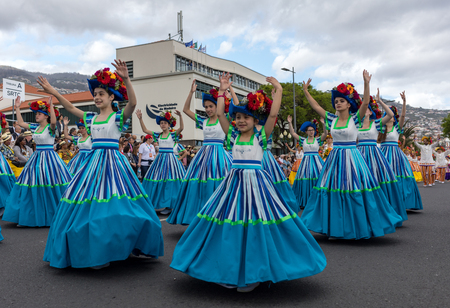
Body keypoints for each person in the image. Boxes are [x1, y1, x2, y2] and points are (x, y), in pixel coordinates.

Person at [171, 73, 326, 292]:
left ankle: (254, 274)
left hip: (256, 185)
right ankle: (229, 270)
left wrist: (279, 91)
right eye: (238, 118)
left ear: (255, 121)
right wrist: (223, 92)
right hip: (233, 183)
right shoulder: (232, 136)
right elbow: (222, 115)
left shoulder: (261, 137)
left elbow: (272, 116)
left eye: (246, 118)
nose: (241, 121)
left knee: (255, 224)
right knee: (229, 223)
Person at [41, 60, 164, 269]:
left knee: (117, 204)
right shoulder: (90, 118)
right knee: (92, 206)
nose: (97, 97)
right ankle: (98, 249)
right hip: (93, 164)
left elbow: (133, 104)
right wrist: (53, 91)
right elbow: (70, 107)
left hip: (114, 164)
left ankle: (120, 245)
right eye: (95, 94)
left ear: (111, 97)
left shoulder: (117, 118)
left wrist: (126, 79)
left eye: (101, 94)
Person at [300, 71, 402, 239]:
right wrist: (306, 91)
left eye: (341, 101)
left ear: (349, 104)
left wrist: (366, 83)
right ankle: (335, 227)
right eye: (336, 101)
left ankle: (355, 226)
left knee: (353, 188)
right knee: (333, 189)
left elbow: (366, 102)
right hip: (335, 158)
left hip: (352, 158)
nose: (337, 103)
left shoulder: (356, 119)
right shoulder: (332, 118)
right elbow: (316, 107)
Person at [167, 80, 233, 225]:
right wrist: (191, 92)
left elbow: (236, 107)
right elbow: (185, 109)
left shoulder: (225, 119)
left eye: (211, 106)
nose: (208, 109)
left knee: (218, 184)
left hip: (219, 157)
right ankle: (198, 218)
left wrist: (228, 92)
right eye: (206, 107)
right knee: (199, 186)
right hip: (203, 157)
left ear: (218, 106)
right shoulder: (203, 120)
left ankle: (218, 217)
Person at [3, 96, 72, 227]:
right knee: (31, 183)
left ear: (46, 116)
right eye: (36, 114)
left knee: (49, 183)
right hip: (36, 158)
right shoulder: (35, 127)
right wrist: (17, 108)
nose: (37, 115)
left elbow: (53, 121)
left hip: (49, 159)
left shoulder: (51, 128)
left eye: (39, 114)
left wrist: (51, 106)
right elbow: (21, 123)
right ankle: (29, 215)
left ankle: (54, 214)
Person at [357, 90, 408, 224]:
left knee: (379, 180)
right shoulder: (357, 125)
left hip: (377, 156)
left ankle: (382, 211)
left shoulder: (384, 126)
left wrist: (381, 101)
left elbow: (397, 115)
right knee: (361, 183)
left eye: (367, 109)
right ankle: (363, 212)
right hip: (361, 154)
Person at [137, 109, 186, 215]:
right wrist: (140, 118)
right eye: (161, 123)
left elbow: (181, 128)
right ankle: (153, 203)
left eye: (165, 123)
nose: (163, 125)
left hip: (170, 160)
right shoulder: (157, 135)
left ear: (169, 124)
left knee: (170, 181)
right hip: (160, 160)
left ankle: (169, 205)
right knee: (156, 179)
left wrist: (181, 116)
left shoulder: (172, 135)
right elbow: (145, 130)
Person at [379, 95, 423, 210]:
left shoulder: (397, 128)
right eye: (389, 116)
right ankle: (386, 203)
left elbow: (403, 116)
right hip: (383, 154)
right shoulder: (380, 130)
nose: (391, 118)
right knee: (383, 177)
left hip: (396, 155)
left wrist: (404, 102)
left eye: (393, 117)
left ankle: (402, 203)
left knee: (400, 176)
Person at [289, 116, 327, 210]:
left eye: (313, 130)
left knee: (319, 178)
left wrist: (323, 123)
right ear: (306, 132)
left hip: (316, 162)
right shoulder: (303, 140)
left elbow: (325, 133)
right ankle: (305, 201)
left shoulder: (318, 140)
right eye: (309, 130)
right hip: (305, 162)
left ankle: (317, 201)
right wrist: (290, 122)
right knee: (305, 179)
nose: (311, 131)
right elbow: (293, 133)